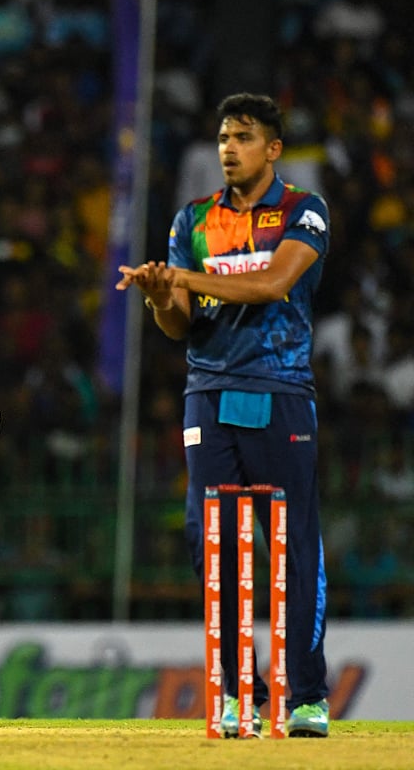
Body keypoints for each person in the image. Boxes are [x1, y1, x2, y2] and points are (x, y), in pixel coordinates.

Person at [116, 93, 331, 738]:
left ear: (273, 148)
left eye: (242, 137)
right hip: (207, 392)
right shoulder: (194, 219)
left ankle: (307, 697)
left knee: (291, 546)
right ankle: (241, 692)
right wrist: (161, 296)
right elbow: (180, 326)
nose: (228, 149)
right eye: (222, 138)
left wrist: (188, 280)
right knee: (209, 543)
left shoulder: (303, 210)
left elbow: (272, 285)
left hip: (280, 388)